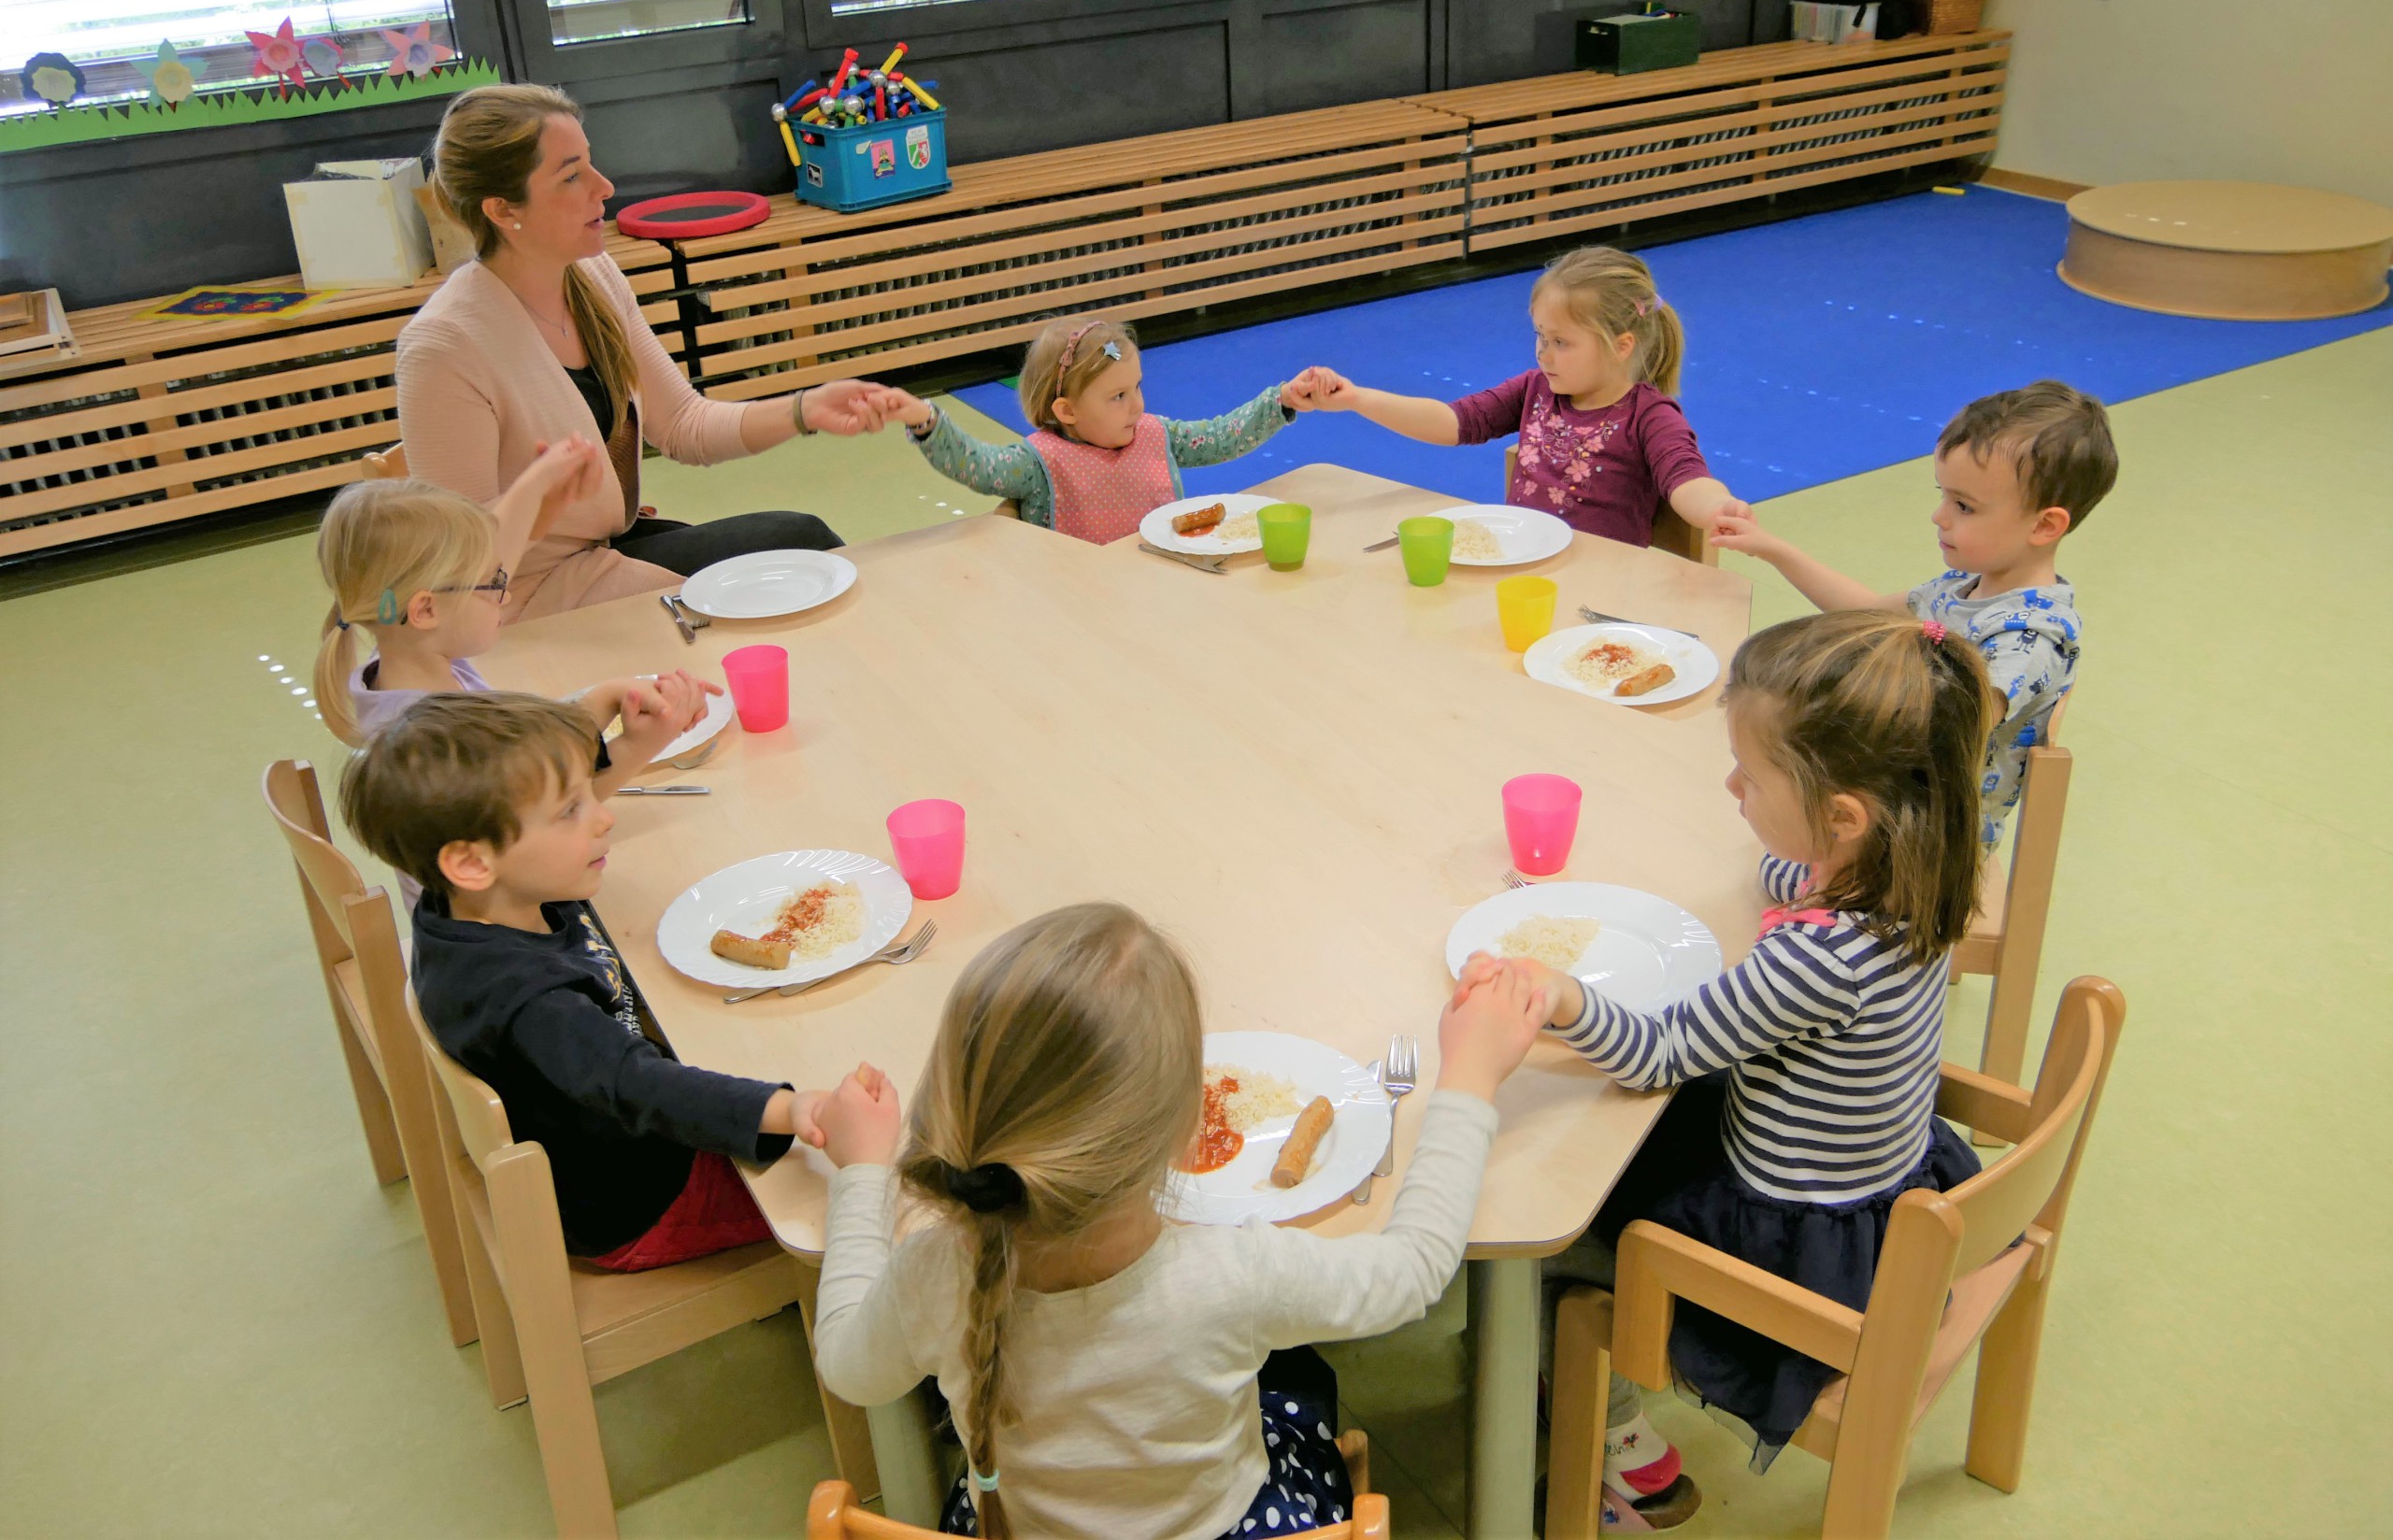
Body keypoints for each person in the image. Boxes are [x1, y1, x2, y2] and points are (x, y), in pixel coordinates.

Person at [1457, 610, 2002, 1514]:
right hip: (1886, 1186)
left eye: (1751, 775)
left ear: (1843, 817)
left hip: (1790, 1242)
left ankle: (1607, 1429)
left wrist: (1557, 992)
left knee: (1553, 1221)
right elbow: (1792, 878)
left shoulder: (1816, 962)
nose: (1731, 784)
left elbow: (1657, 1050)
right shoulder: (1919, 878)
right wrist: (1805, 860)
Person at [809, 902, 1551, 1537]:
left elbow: (848, 1365)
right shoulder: (1233, 1275)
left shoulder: (933, 1276)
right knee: (1297, 1379)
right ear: (1188, 1130)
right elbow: (1414, 1272)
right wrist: (1470, 1078)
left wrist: (863, 1175)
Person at [340, 691, 832, 1270]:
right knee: (862, 1194)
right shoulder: (532, 1003)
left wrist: (608, 735)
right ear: (472, 862)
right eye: (570, 810)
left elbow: (524, 802)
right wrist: (791, 1111)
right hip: (642, 1202)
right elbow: (635, 1085)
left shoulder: (480, 902)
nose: (603, 814)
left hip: (618, 1146)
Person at [399, 83, 893, 620]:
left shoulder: (591, 275)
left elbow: (683, 424)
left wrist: (805, 409)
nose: (604, 187)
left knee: (807, 545)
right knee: (798, 562)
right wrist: (541, 505)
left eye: (591, 164)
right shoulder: (444, 347)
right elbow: (461, 565)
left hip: (602, 553)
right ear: (501, 209)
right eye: (571, 176)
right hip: (526, 601)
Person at [1712, 380, 2115, 848]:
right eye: (1943, 494)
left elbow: (1945, 729)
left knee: (1758, 839)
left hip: (1927, 846)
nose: (1939, 516)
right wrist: (1776, 551)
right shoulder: (1965, 586)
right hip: (1886, 800)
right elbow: (1866, 612)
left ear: (2045, 525)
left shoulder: (2027, 638)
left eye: (1964, 506)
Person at [314, 471, 716, 907]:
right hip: (511, 933)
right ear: (426, 608)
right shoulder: (433, 740)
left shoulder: (413, 667)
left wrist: (604, 699)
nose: (505, 597)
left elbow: (526, 769)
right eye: (493, 584)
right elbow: (555, 814)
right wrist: (642, 744)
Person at [1303, 247, 1747, 547]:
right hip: (1523, 567)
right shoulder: (1537, 389)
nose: (1543, 353)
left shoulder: (1649, 415)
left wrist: (1717, 508)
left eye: (1561, 342)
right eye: (1540, 336)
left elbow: (1685, 478)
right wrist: (1358, 399)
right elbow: (1455, 421)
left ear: (1621, 345)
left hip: (1601, 588)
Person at [875, 317, 1321, 544]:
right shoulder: (1038, 464)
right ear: (1066, 410)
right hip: (1075, 613)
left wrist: (1278, 400)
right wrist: (927, 421)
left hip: (1161, 594)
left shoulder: (1154, 433)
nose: (1138, 406)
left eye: (1137, 387)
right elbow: (976, 465)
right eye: (1117, 397)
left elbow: (1223, 436)